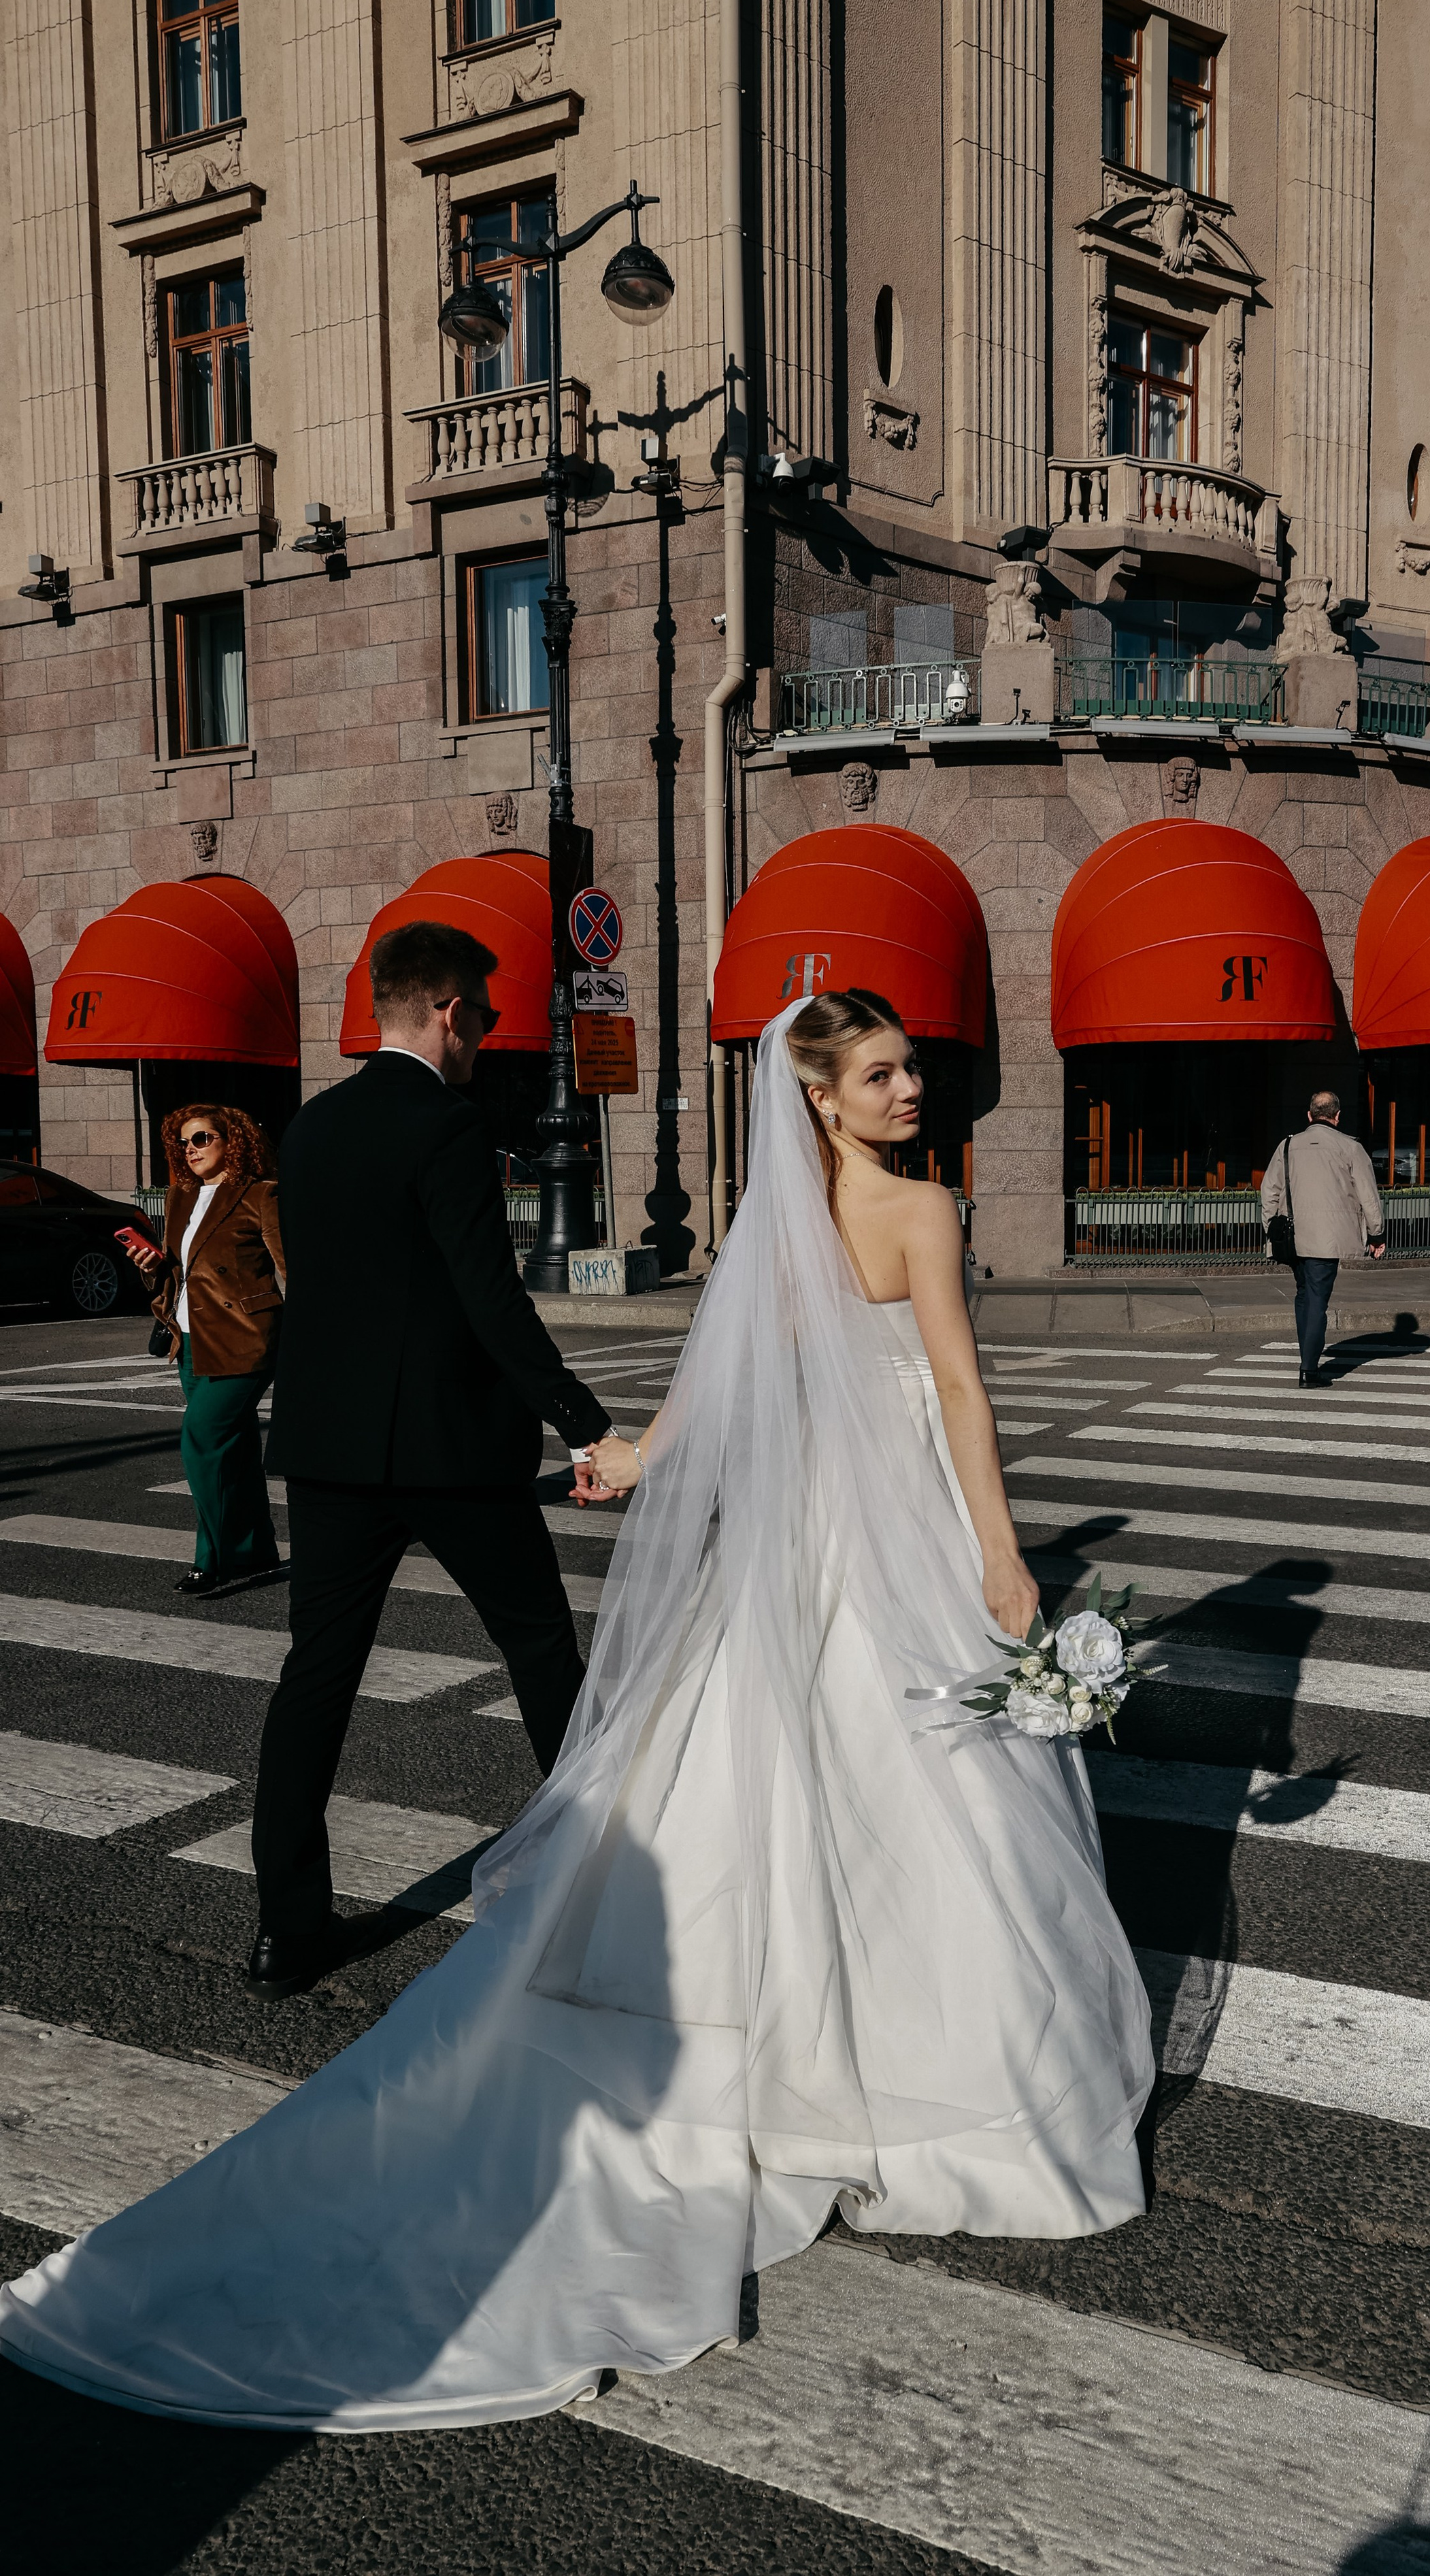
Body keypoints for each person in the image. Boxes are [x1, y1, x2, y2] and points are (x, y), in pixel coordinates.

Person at [0, 989, 1153, 2430]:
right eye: (880, 1073)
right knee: (911, 1792)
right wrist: (1000, 1557)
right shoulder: (922, 1214)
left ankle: (786, 2052)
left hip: (793, 1553)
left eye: (909, 1069)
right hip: (898, 1540)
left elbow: (725, 1380)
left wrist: (636, 1456)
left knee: (777, 1786)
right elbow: (959, 1400)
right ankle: (906, 2073)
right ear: (821, 1098)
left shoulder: (775, 1232)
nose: (909, 1090)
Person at [242, 920, 621, 2004]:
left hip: (328, 1450)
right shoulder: (446, 1125)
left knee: (316, 1678)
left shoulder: (309, 1127)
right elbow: (487, 1296)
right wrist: (581, 1421)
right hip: (450, 1452)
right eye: (488, 1017)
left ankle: (285, 1932)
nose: (488, 1037)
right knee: (543, 1649)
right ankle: (606, 1878)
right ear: (449, 1009)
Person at [114, 1106, 286, 1598]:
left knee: (202, 1440)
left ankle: (212, 1559)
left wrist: (311, 1341)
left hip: (246, 1339)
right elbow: (175, 1273)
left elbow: (290, 1268)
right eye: (184, 1142)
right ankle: (256, 1547)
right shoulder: (181, 1196)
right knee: (235, 1449)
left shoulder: (260, 1194)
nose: (190, 1149)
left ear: (232, 1142)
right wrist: (148, 1264)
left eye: (202, 1138)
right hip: (189, 1340)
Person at [1260, 1089, 1386, 1386]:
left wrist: (1271, 1228)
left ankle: (1308, 1358)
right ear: (1337, 1116)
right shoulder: (1351, 1148)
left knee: (1303, 1295)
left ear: (1310, 1115)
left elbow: (1269, 1191)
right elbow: (1369, 1196)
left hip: (1292, 1236)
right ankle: (1309, 1369)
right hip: (1327, 1239)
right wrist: (1376, 1233)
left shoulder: (1288, 1145)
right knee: (1317, 1300)